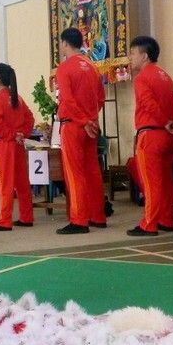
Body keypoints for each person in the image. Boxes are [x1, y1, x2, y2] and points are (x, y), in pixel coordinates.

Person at [123, 36, 173, 237]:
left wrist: (164, 120)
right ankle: (166, 219)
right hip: (167, 135)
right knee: (166, 180)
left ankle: (149, 223)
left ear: (144, 56)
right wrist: (170, 124)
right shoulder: (165, 76)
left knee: (151, 182)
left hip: (150, 134)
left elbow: (148, 103)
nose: (130, 57)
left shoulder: (142, 78)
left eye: (133, 53)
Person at [55, 27, 107, 235]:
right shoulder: (92, 67)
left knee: (74, 173)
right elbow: (101, 98)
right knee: (92, 171)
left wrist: (82, 120)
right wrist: (91, 120)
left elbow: (67, 100)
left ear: (65, 43)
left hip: (73, 125)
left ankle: (79, 220)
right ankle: (98, 216)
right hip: (90, 127)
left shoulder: (65, 68)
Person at [0, 63, 35, 231]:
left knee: (4, 183)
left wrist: (13, 135)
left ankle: (4, 220)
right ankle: (26, 217)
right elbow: (30, 118)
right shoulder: (17, 97)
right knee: (22, 183)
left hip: (4, 145)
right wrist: (21, 134)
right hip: (18, 145)